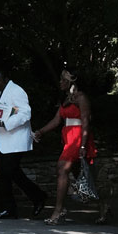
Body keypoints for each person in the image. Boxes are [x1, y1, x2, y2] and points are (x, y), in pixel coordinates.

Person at [33, 70, 106, 225]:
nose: (60, 82)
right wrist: (41, 131)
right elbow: (56, 120)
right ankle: (103, 206)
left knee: (62, 168)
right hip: (69, 138)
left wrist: (83, 145)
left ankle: (59, 210)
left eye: (63, 80)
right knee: (84, 176)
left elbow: (85, 121)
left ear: (70, 82)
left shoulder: (81, 97)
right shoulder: (66, 99)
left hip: (78, 139)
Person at [0, 70, 47, 219]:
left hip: (15, 139)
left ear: (6, 79)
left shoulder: (17, 91)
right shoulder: (2, 93)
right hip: (3, 139)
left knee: (11, 170)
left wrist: (3, 123)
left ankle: (38, 196)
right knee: (2, 173)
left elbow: (25, 114)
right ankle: (8, 209)